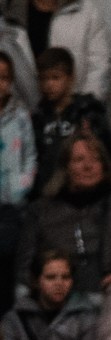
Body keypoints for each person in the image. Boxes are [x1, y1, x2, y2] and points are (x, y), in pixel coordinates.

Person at [13, 130, 111, 296]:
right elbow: (24, 270)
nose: (88, 166)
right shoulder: (40, 211)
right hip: (59, 301)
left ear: (105, 167)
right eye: (79, 160)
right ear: (66, 167)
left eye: (95, 159)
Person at [30, 47, 109, 195]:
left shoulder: (88, 112)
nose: (48, 85)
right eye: (43, 79)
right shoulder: (38, 118)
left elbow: (105, 154)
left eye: (55, 77)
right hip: (50, 193)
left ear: (71, 77)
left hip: (87, 191)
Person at [11, 0, 111, 100]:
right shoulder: (10, 13)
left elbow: (99, 64)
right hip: (20, 112)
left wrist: (87, 107)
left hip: (76, 109)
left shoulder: (85, 11)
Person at [0, 51, 33, 296]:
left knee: (9, 260)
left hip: (12, 205)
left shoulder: (21, 117)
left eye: (3, 77)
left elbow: (30, 155)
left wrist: (20, 187)